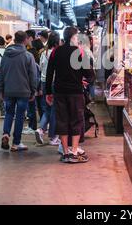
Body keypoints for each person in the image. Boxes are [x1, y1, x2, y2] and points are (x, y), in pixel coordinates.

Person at [46, 27, 95, 164]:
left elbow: (50, 73)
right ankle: (74, 151)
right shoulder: (79, 52)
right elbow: (90, 74)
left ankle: (66, 153)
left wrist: (48, 92)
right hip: (75, 92)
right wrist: (86, 81)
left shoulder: (56, 51)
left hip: (60, 91)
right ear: (74, 37)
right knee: (76, 120)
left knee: (62, 120)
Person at [0, 31, 37, 152]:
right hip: (23, 91)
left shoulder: (6, 54)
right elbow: (33, 76)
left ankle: (6, 134)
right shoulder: (28, 56)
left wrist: (1, 89)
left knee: (9, 113)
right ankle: (16, 143)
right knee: (20, 116)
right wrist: (33, 90)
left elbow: (1, 73)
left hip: (8, 90)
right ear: (25, 40)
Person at [35, 31, 61, 146]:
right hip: (54, 83)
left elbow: (40, 68)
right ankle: (53, 137)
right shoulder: (57, 52)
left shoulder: (43, 52)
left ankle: (41, 129)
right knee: (55, 109)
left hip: (44, 82)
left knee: (47, 109)